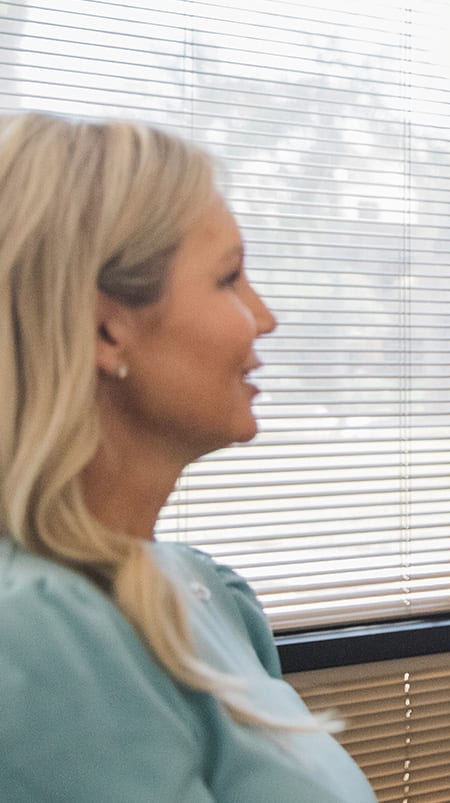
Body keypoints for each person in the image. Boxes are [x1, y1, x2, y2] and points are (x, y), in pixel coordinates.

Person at [0, 113, 375, 801]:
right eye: (229, 277)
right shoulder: (35, 636)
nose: (265, 317)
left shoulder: (204, 591)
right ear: (105, 328)